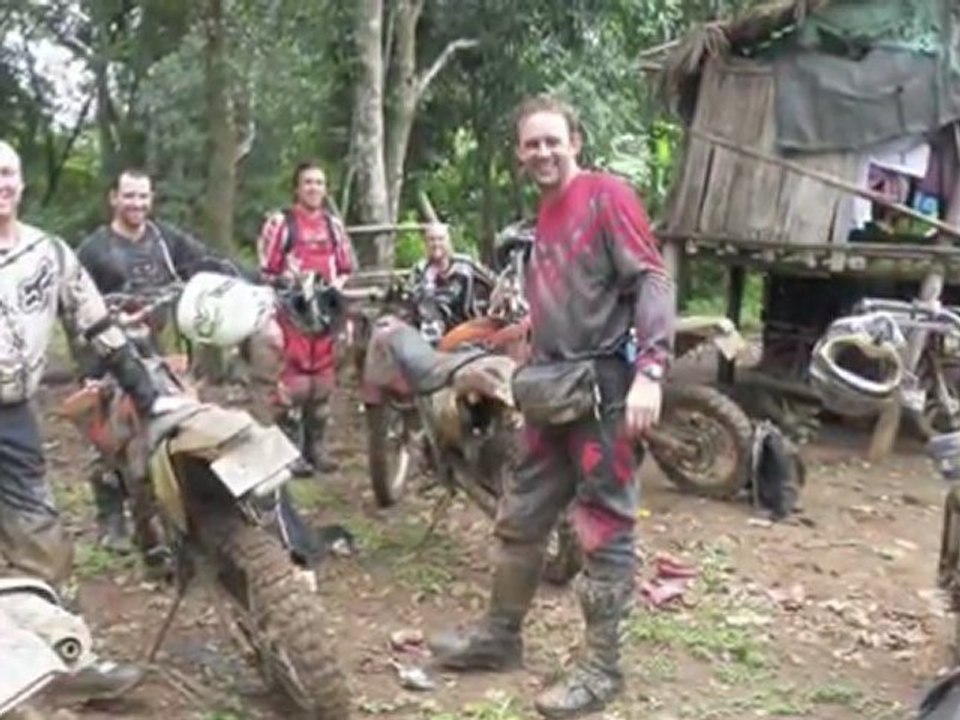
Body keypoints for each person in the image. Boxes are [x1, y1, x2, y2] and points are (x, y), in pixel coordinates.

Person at [427, 95, 676, 718]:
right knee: (521, 515)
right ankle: (500, 636)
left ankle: (602, 667)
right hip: (549, 386)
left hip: (603, 392)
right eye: (530, 144)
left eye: (552, 141)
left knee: (604, 527)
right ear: (519, 153)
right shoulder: (544, 217)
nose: (542, 152)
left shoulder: (604, 197)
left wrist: (651, 369)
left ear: (576, 141)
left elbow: (652, 278)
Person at [0, 140, 159, 698]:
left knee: (39, 538)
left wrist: (138, 381)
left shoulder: (49, 253)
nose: (2, 184)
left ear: (21, 183)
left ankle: (56, 653)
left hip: (15, 415)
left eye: (9, 173)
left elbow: (92, 318)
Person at [76, 168, 242, 556]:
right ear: (113, 198)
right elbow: (74, 307)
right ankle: (112, 519)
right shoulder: (93, 249)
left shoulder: (165, 239)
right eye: (129, 196)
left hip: (161, 349)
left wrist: (238, 276)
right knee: (107, 436)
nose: (136, 204)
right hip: (109, 353)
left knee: (183, 418)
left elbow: (205, 261)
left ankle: (184, 510)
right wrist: (91, 368)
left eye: (143, 197)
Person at [255, 161, 356, 475]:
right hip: (291, 312)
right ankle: (289, 452)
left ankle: (317, 449)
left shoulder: (333, 226)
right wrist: (287, 285)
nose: (314, 188)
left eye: (319, 182)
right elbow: (266, 270)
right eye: (308, 182)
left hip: (325, 315)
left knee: (322, 384)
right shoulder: (281, 224)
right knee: (291, 384)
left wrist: (336, 297)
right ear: (297, 188)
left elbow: (347, 267)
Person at [408, 222, 496, 331]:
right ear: (425, 243)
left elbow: (493, 281)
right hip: (429, 330)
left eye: (440, 239)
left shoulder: (465, 265)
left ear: (448, 242)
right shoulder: (420, 270)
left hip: (465, 329)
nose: (436, 244)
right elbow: (412, 300)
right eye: (431, 239)